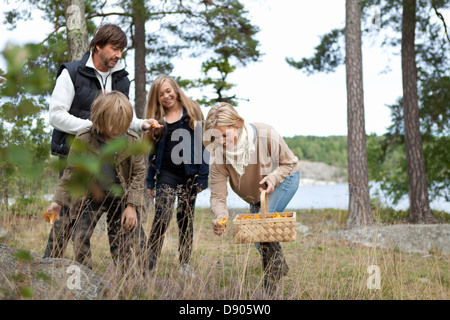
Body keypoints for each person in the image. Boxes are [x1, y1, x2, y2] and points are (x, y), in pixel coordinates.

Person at [44, 23, 154, 259]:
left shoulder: (122, 78)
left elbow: (124, 116)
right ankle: (49, 263)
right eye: (114, 48)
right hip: (77, 152)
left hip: (112, 157)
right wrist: (94, 128)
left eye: (122, 50)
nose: (119, 55)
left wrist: (140, 124)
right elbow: (55, 115)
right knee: (68, 216)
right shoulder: (72, 73)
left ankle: (127, 271)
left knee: (119, 213)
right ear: (97, 45)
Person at [203, 102, 300, 293]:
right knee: (257, 239)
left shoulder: (266, 135)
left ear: (238, 123)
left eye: (224, 135)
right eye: (215, 136)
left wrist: (273, 177)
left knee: (262, 229)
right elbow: (218, 196)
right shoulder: (218, 156)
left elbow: (290, 163)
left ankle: (270, 287)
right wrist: (219, 216)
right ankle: (278, 266)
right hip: (256, 195)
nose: (221, 141)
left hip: (284, 179)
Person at [47, 91, 148, 270]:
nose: (118, 131)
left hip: (121, 197)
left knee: (128, 240)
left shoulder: (132, 140)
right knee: (79, 236)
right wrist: (58, 201)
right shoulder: (84, 137)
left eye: (122, 126)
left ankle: (132, 280)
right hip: (92, 195)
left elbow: (139, 175)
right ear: (100, 118)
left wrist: (131, 206)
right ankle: (86, 276)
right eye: (113, 125)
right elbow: (70, 172)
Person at [144, 74, 209, 276]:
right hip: (166, 174)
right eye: (161, 94)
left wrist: (203, 175)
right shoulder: (157, 119)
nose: (166, 96)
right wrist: (149, 181)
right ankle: (149, 265)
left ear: (175, 89)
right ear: (157, 97)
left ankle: (184, 264)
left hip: (190, 175)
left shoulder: (192, 111)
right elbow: (150, 152)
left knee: (185, 218)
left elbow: (203, 143)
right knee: (162, 216)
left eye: (168, 91)